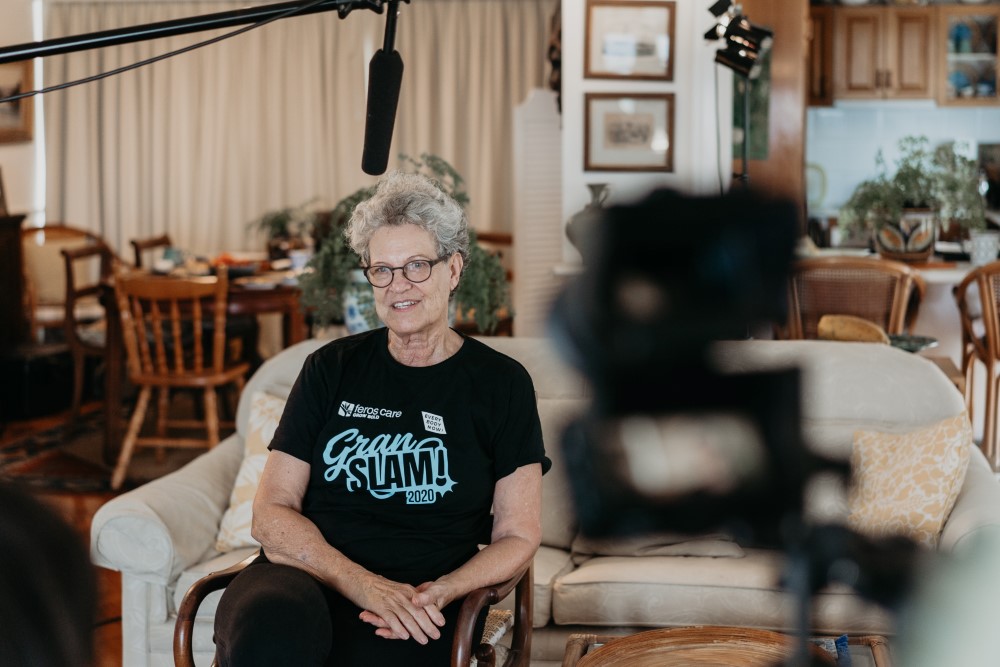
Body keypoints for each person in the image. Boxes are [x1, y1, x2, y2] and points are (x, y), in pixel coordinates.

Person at [215, 171, 549, 665]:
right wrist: (363, 585)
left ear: (453, 269)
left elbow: (518, 535)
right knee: (271, 629)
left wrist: (444, 591)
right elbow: (272, 512)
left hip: (420, 597)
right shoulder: (330, 368)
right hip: (306, 577)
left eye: (416, 266)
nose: (398, 286)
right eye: (382, 270)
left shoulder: (501, 384)